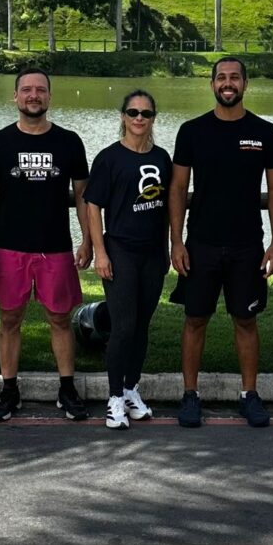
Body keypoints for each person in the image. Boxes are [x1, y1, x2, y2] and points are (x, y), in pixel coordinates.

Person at [169, 57, 273, 428]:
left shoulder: (266, 132)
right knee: (194, 320)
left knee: (245, 320)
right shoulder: (192, 131)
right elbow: (177, 188)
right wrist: (176, 240)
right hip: (200, 243)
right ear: (212, 84)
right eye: (221, 77)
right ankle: (190, 396)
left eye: (235, 77)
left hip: (247, 245)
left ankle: (249, 395)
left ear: (245, 84)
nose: (228, 83)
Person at [0, 68, 93, 422]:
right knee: (10, 318)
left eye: (40, 90)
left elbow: (84, 194)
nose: (33, 95)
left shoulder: (69, 141)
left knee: (60, 318)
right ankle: (9, 389)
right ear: (15, 97)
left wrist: (87, 239)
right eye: (26, 90)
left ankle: (66, 388)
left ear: (49, 97)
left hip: (56, 247)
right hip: (11, 247)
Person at [85, 90, 172, 430]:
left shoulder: (163, 158)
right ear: (122, 116)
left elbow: (166, 208)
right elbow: (94, 206)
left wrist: (166, 248)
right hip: (119, 250)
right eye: (133, 112)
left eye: (146, 113)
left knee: (141, 325)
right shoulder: (109, 158)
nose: (139, 118)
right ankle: (113, 399)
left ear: (153, 118)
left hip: (152, 253)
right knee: (122, 327)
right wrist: (100, 252)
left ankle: (131, 389)